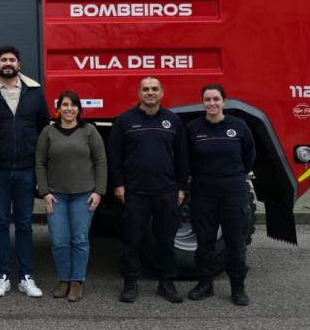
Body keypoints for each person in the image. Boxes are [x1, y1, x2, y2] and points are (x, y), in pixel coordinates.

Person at [107, 76, 189, 304]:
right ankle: (130, 283)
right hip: (134, 191)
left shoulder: (173, 121)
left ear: (162, 93)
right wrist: (118, 184)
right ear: (139, 93)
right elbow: (115, 156)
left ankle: (167, 283)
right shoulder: (125, 120)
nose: (150, 92)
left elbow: (182, 157)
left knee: (165, 239)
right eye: (146, 89)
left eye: (154, 89)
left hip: (166, 190)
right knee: (131, 239)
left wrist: (181, 187)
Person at [0, 45, 50, 298]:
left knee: (25, 224)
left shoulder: (34, 92)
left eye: (12, 59)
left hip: (27, 170)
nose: (7, 63)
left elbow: (44, 131)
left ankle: (26, 277)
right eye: (3, 60)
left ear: (19, 63)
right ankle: (3, 276)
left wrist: (43, 173)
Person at [186, 84, 257, 306]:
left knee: (235, 240)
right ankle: (205, 284)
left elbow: (249, 156)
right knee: (205, 240)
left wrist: (233, 174)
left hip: (233, 190)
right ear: (202, 103)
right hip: (203, 190)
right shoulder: (193, 128)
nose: (212, 103)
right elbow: (185, 158)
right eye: (207, 99)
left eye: (216, 99)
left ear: (224, 101)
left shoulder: (239, 126)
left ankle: (238, 287)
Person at [35, 90, 107, 302]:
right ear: (57, 109)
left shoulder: (89, 131)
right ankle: (63, 279)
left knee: (79, 239)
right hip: (56, 196)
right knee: (59, 240)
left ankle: (77, 281)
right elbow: (39, 163)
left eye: (73, 105)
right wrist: (45, 192)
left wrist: (99, 191)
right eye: (64, 105)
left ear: (79, 109)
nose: (69, 109)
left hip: (83, 195)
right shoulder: (48, 132)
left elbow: (101, 162)